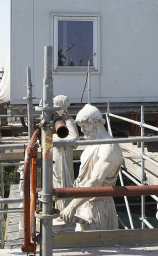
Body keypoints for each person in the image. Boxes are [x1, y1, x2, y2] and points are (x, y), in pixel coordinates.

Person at [60, 104, 122, 231]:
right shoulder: (93, 143)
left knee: (96, 245)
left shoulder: (108, 148)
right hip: (85, 203)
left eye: (85, 126)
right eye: (80, 127)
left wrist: (72, 206)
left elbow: (95, 181)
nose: (82, 130)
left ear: (96, 123)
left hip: (97, 207)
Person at [52, 95, 79, 231]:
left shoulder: (61, 118)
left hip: (61, 156)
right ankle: (62, 212)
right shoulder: (56, 119)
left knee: (62, 182)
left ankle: (64, 213)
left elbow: (73, 139)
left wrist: (67, 118)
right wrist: (67, 119)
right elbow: (74, 138)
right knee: (60, 182)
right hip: (58, 157)